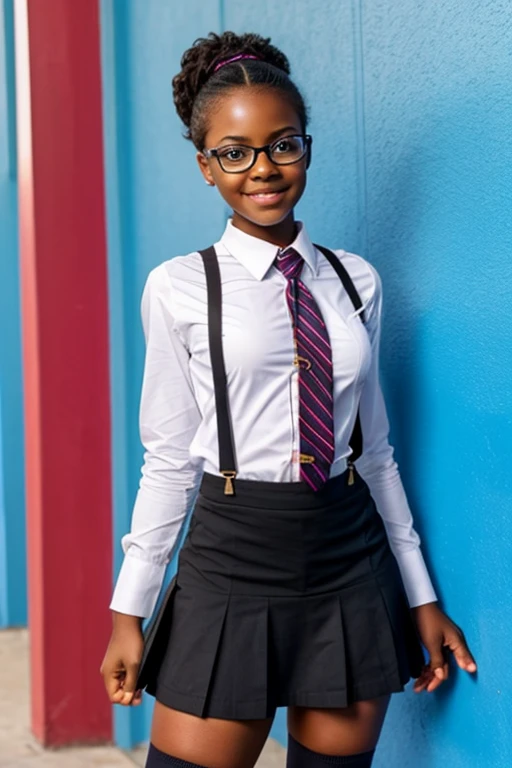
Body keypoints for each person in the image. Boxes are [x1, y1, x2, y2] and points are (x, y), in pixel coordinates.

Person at [100, 31, 477, 768]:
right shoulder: (181, 287)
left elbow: (378, 456)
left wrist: (421, 595)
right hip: (231, 557)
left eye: (283, 145)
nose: (263, 169)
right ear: (206, 167)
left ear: (306, 148)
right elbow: (169, 460)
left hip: (347, 558)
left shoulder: (355, 280)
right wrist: (129, 610)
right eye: (234, 152)